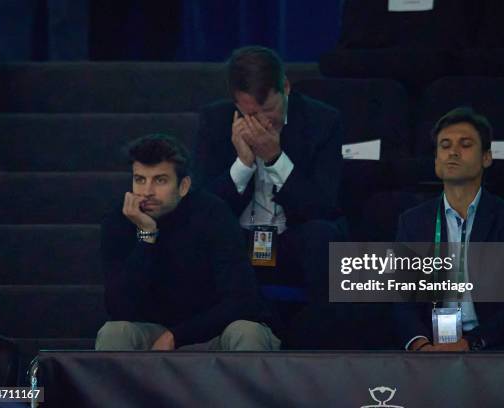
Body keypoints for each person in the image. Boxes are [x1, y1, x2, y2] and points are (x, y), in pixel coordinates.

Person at [96, 134, 280, 351]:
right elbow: (118, 307)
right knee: (114, 332)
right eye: (140, 180)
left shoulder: (213, 214)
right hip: (154, 334)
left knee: (247, 332)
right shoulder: (120, 220)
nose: (147, 192)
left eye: (160, 180)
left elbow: (242, 300)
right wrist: (147, 236)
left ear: (183, 186)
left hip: (215, 333)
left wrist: (177, 336)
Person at [194, 45, 344, 302]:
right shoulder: (216, 120)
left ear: (285, 87)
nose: (263, 122)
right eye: (251, 114)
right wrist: (243, 164)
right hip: (240, 243)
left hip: (292, 240)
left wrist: (275, 159)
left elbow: (323, 205)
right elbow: (204, 205)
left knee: (324, 236)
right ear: (236, 102)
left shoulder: (322, 121)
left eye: (269, 110)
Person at [395, 107, 504, 351]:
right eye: (445, 145)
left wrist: (472, 343)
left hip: (491, 347)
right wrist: (419, 344)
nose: (453, 152)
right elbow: (400, 298)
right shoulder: (413, 221)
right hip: (430, 347)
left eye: (465, 144)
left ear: (486, 157)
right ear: (436, 161)